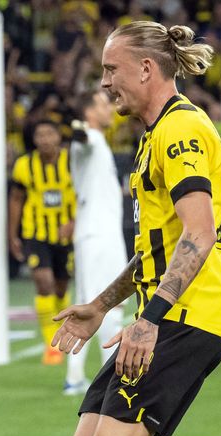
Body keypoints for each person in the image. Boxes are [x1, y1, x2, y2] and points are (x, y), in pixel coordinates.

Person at [52, 21, 221, 436]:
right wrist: (101, 306)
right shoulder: (155, 134)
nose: (104, 82)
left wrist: (150, 320)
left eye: (111, 69)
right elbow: (155, 252)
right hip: (163, 313)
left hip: (187, 315)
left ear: (147, 68)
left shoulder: (180, 129)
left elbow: (199, 234)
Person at [63, 90, 128, 396]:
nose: (110, 108)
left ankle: (75, 377)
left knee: (91, 301)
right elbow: (80, 138)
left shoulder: (98, 141)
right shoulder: (87, 139)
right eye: (103, 104)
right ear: (89, 112)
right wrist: (77, 128)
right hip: (98, 235)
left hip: (96, 233)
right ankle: (110, 378)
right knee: (107, 302)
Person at [9, 119, 76, 365]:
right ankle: (51, 344)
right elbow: (16, 199)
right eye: (40, 135)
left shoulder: (72, 160)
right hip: (35, 234)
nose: (45, 139)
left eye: (49, 133)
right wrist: (12, 234)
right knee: (43, 282)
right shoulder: (24, 165)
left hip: (66, 235)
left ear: (59, 136)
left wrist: (74, 222)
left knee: (60, 288)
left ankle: (62, 331)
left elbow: (87, 193)